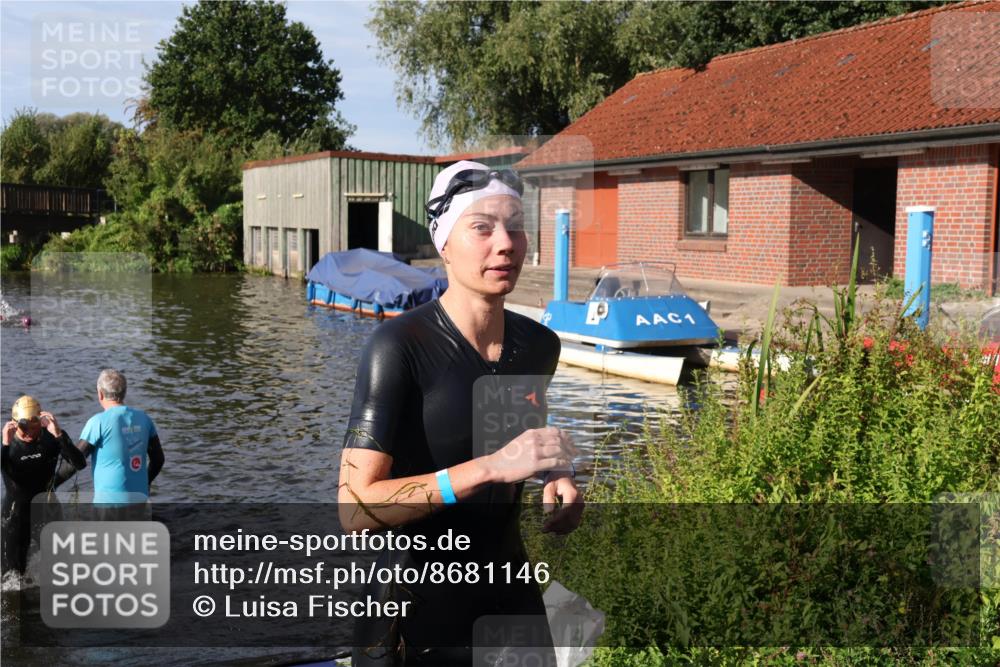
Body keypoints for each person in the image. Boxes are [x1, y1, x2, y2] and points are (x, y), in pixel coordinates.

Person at [339, 160, 583, 665]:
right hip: (412, 615)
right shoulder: (398, 347)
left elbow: (508, 433)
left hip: (510, 598)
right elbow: (356, 509)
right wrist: (491, 469)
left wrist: (555, 472)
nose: (507, 242)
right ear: (443, 243)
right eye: (482, 227)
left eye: (515, 224)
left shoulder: (538, 345)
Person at [2, 396, 87, 577]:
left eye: (34, 428)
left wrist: (59, 435)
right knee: (12, 576)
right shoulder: (8, 443)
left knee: (60, 566)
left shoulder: (51, 438)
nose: (29, 434)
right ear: (14, 424)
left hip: (47, 509)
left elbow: (79, 464)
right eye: (23, 428)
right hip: (16, 515)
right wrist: (5, 445)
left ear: (41, 421)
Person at [74, 369, 164, 504]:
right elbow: (158, 460)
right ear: (124, 392)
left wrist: (58, 436)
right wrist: (146, 482)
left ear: (100, 394)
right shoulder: (144, 419)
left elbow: (76, 460)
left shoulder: (97, 422)